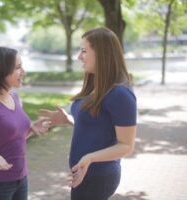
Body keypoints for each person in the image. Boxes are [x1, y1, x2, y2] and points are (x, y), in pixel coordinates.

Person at [40, 27, 137, 200]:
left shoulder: (120, 94)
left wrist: (90, 158)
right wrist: (67, 120)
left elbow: (126, 146)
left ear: (102, 53)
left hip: (98, 176)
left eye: (84, 51)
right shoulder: (95, 86)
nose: (79, 57)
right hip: (84, 171)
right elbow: (97, 126)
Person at [0, 46, 50, 200]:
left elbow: (10, 139)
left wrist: (32, 129)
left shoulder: (15, 98)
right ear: (2, 71)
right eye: (18, 68)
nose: (24, 72)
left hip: (21, 178)